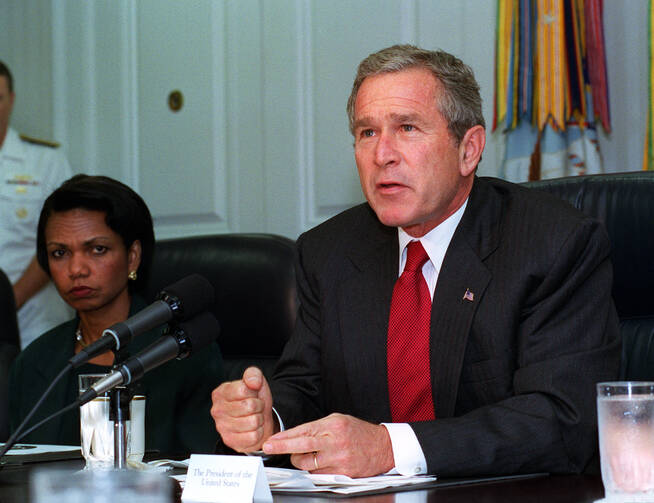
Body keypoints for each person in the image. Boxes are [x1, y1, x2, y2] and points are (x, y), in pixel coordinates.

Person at [210, 45, 621, 477]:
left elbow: (562, 418)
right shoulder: (329, 252)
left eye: (407, 128)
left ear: (469, 150)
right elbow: (305, 387)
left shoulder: (553, 243)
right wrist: (265, 421)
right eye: (367, 132)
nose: (382, 154)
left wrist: (390, 448)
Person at [9, 174, 225, 456]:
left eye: (97, 249)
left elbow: (202, 474)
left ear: (133, 257)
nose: (76, 269)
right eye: (60, 253)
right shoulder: (35, 360)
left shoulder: (182, 351)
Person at [0, 60, 72, 348]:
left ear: (11, 100)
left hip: (36, 321)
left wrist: (10, 300)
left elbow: (63, 240)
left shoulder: (46, 162)